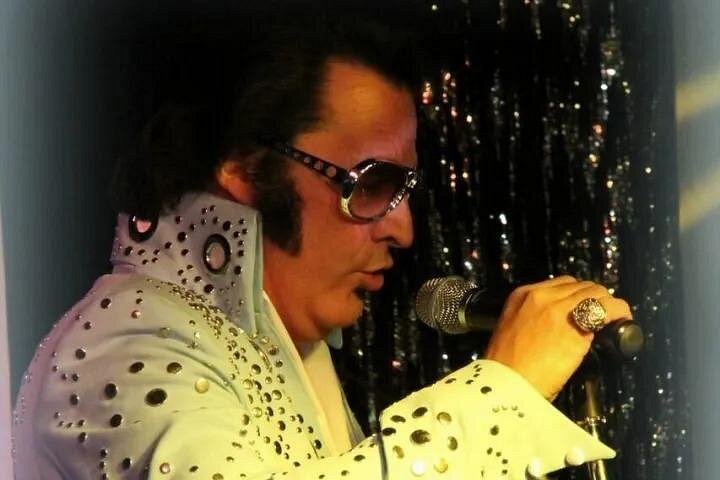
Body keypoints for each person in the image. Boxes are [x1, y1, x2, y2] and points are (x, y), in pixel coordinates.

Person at [12, 16, 631, 480]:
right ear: (246, 168)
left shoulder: (280, 352)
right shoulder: (123, 342)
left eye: (404, 190)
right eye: (372, 184)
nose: (402, 229)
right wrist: (502, 391)